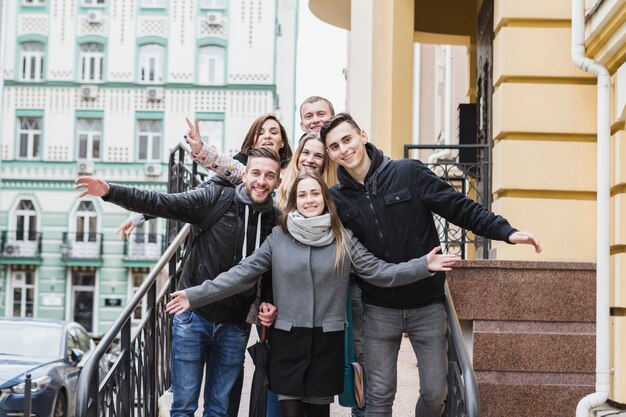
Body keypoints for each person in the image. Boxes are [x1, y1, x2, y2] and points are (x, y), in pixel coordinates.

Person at [165, 171, 459, 417]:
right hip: (287, 342)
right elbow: (241, 274)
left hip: (326, 343)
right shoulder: (278, 237)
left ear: (325, 199)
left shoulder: (343, 238)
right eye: (303, 195)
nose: (309, 200)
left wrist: (425, 265)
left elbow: (380, 272)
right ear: (294, 201)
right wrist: (195, 295)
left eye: (315, 194)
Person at [319, 112, 542, 417]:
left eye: (347, 139)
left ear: (362, 135)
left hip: (426, 305)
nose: (344, 149)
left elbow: (458, 207)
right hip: (379, 308)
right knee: (379, 396)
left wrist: (506, 231)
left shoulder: (408, 173)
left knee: (436, 394)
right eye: (334, 147)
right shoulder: (337, 199)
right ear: (330, 154)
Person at [74, 147, 283, 417]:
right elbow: (163, 202)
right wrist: (110, 191)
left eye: (269, 176)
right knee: (183, 407)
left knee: (218, 410)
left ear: (277, 181)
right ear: (244, 174)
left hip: (235, 325)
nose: (261, 181)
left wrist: (267, 299)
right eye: (256, 173)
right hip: (193, 316)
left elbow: (267, 270)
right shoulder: (216, 198)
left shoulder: (274, 220)